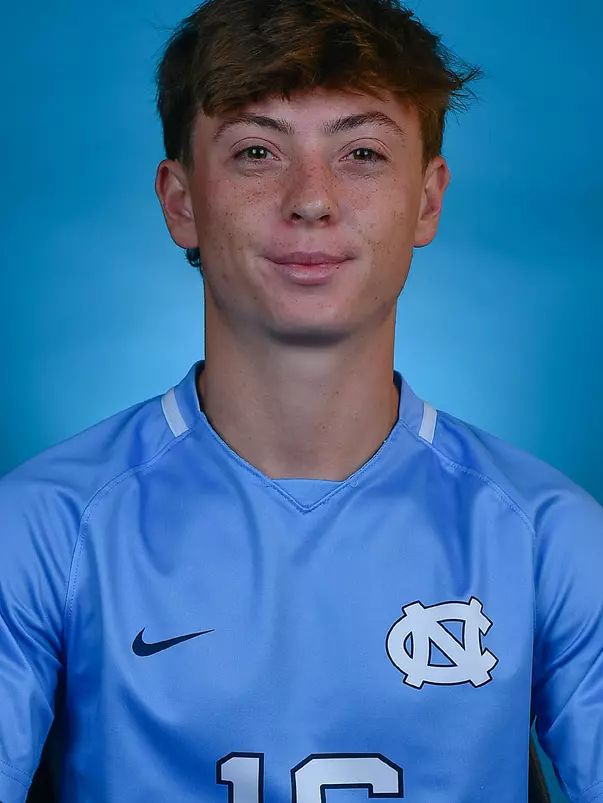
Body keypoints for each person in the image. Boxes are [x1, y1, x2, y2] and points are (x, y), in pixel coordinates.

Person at [1, 0, 602, 800]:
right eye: (256, 151)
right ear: (181, 200)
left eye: (360, 152)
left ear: (426, 199)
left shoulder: (547, 536)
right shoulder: (43, 527)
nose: (310, 199)